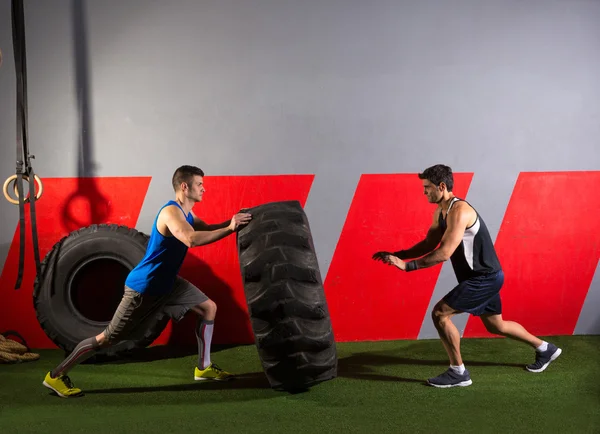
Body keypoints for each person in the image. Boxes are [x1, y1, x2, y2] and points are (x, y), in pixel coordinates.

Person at [43, 165, 252, 398]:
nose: (204, 188)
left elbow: (211, 228)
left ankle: (203, 368)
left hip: (168, 284)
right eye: (199, 184)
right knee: (108, 339)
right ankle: (56, 375)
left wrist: (233, 223)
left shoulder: (188, 214)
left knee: (208, 308)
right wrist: (230, 228)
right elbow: (191, 239)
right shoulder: (170, 213)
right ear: (185, 186)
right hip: (144, 287)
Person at [372, 164, 562, 388]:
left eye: (427, 187)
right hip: (484, 277)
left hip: (484, 278)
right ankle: (545, 349)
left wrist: (407, 266)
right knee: (496, 326)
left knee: (440, 314)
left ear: (441, 186)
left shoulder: (459, 211)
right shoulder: (441, 211)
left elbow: (444, 253)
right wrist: (397, 255)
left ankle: (458, 372)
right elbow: (429, 243)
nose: (424, 192)